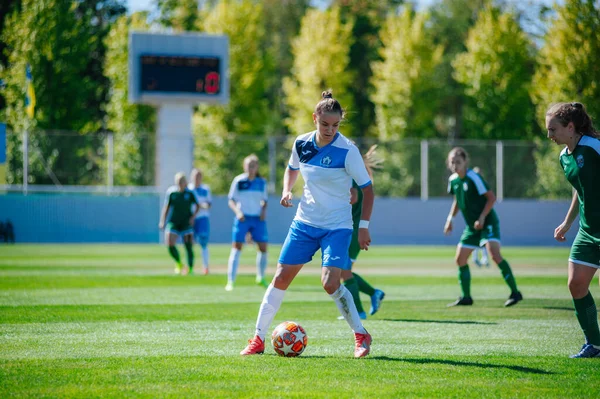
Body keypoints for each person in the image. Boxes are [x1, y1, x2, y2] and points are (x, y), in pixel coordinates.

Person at [240, 91, 375, 358]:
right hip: (304, 223)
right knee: (280, 277)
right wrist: (286, 190)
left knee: (329, 282)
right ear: (315, 118)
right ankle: (257, 339)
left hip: (337, 226)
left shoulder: (348, 150)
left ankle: (361, 335)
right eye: (325, 124)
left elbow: (368, 190)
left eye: (335, 125)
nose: (330, 130)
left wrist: (363, 227)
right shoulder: (301, 143)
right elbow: (292, 168)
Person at [546, 102, 600, 358]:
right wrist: (568, 222)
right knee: (576, 284)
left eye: (552, 129)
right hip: (588, 230)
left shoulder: (594, 148)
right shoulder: (564, 156)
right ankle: (595, 344)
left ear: (570, 127)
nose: (550, 136)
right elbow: (579, 186)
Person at [443, 147, 522, 307]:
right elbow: (458, 200)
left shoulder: (474, 177)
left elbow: (491, 198)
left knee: (494, 255)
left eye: (458, 162)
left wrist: (482, 217)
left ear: (465, 162)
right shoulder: (453, 180)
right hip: (472, 227)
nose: (455, 165)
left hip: (487, 222)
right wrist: (450, 219)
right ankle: (466, 297)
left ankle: (515, 292)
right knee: (460, 259)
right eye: (452, 162)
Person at [339, 145, 385, 320]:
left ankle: (358, 311)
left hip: (351, 231)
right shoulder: (357, 175)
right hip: (350, 229)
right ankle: (374, 293)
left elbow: (353, 198)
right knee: (343, 271)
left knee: (344, 271)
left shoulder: (351, 176)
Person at [226, 154, 269, 291]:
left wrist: (263, 210)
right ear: (244, 167)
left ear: (257, 167)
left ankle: (260, 277)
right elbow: (231, 200)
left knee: (263, 248)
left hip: (257, 219)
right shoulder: (239, 181)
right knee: (237, 247)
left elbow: (264, 200)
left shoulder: (261, 182)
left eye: (253, 166)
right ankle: (230, 281)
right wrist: (238, 213)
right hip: (243, 218)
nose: (251, 168)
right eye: (248, 166)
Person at [159, 172, 199, 275]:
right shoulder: (172, 193)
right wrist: (163, 221)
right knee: (169, 242)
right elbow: (166, 207)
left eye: (182, 181)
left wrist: (192, 218)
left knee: (188, 245)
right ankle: (179, 263)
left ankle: (190, 269)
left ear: (185, 182)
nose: (180, 183)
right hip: (174, 222)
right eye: (178, 181)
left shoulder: (189, 193)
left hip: (186, 223)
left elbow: (198, 206)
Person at [188, 168, 212, 275]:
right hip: (190, 218)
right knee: (188, 242)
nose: (197, 178)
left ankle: (205, 267)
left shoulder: (205, 189)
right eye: (195, 176)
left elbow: (208, 204)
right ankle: (190, 267)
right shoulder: (188, 189)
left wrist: (200, 206)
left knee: (203, 243)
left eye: (199, 176)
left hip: (202, 218)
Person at [471, 167, 490, 268]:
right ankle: (476, 258)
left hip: (482, 216)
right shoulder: (472, 186)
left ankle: (483, 257)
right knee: (476, 237)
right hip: (474, 216)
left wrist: (483, 215)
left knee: (482, 237)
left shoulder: (482, 186)